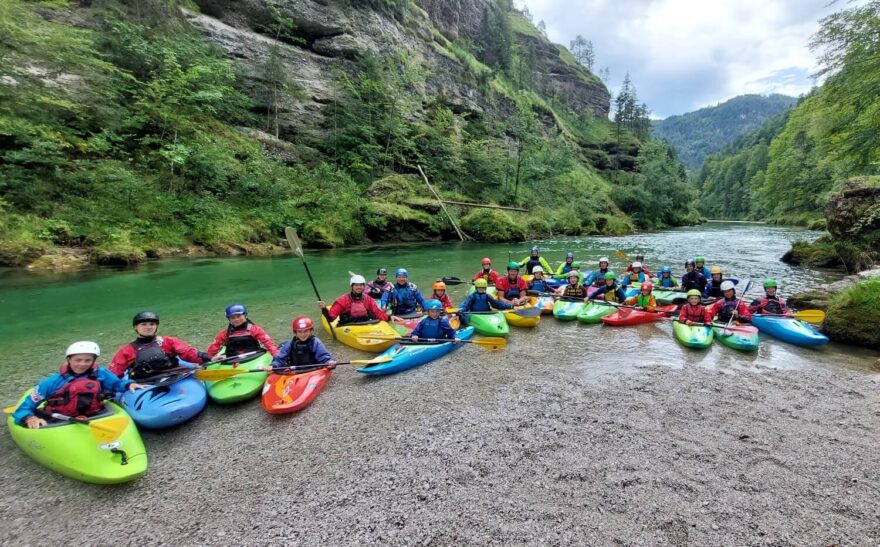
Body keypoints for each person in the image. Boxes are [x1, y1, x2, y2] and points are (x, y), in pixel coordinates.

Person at [13, 342, 148, 429]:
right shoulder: (51, 382)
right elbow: (24, 407)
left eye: (87, 360)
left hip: (95, 416)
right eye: (77, 360)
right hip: (59, 421)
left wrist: (129, 385)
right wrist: (29, 417)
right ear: (69, 359)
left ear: (93, 360)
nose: (82, 364)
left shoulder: (101, 374)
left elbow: (117, 384)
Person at [110, 312, 211, 379]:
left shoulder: (168, 341)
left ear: (156, 326)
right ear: (136, 327)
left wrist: (206, 357)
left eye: (152, 324)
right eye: (143, 324)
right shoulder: (127, 350)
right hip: (144, 381)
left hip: (172, 374)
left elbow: (188, 352)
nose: (148, 327)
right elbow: (114, 372)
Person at [207, 304, 279, 360]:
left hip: (253, 357)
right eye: (233, 317)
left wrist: (278, 358)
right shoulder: (224, 333)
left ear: (245, 315)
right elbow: (213, 348)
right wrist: (208, 359)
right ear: (229, 319)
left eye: (239, 316)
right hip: (231, 360)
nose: (236, 319)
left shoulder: (255, 329)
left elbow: (269, 344)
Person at [271, 316, 336, 372]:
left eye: (306, 331)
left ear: (310, 331)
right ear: (295, 332)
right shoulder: (290, 343)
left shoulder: (316, 342)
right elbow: (280, 358)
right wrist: (273, 366)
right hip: (295, 370)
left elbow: (323, 356)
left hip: (313, 370)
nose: (303, 334)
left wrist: (329, 362)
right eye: (299, 332)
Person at [319, 274, 390, 325]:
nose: (359, 287)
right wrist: (324, 309)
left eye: (361, 285)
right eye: (356, 285)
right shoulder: (342, 300)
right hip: (348, 327)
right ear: (352, 286)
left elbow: (378, 314)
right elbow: (330, 319)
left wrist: (390, 317)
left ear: (364, 286)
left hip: (365, 325)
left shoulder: (368, 299)